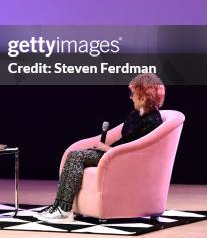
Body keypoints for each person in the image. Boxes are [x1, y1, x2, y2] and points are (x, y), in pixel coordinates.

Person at [41, 72, 165, 220]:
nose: (130, 97)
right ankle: (59, 206)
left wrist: (108, 149)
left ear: (143, 97)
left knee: (76, 156)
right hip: (113, 154)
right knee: (74, 155)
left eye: (133, 94)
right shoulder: (135, 114)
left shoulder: (153, 120)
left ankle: (64, 209)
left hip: (120, 157)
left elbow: (136, 149)